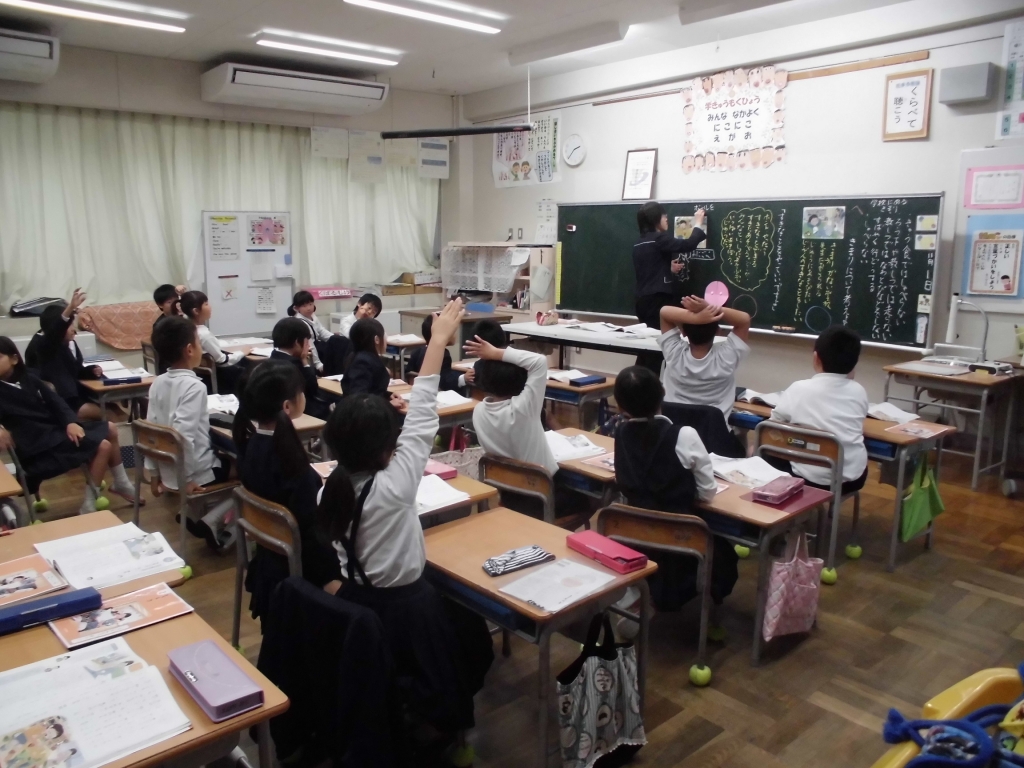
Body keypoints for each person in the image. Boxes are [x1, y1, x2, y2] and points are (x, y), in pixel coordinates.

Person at [317, 299, 492, 752]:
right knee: (467, 638)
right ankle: (443, 732)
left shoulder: (330, 488)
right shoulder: (393, 487)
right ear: (384, 449)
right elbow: (423, 411)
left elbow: (417, 421)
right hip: (405, 608)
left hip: (356, 599)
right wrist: (438, 341)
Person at [613, 366, 738, 612]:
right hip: (682, 541)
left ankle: (641, 597)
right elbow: (707, 493)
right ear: (662, 393)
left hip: (635, 535)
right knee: (725, 551)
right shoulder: (684, 435)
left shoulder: (621, 433)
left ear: (619, 405)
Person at [232, 360, 342, 622]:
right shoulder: (293, 468)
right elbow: (312, 536)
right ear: (287, 406)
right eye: (300, 392)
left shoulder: (251, 447)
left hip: (270, 558)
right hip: (305, 568)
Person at [0, 336, 139, 514]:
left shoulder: (29, 377)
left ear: (14, 359)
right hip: (37, 449)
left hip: (54, 435)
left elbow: (56, 402)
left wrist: (71, 422)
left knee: (110, 428)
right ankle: (90, 503)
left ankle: (120, 483)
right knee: (103, 446)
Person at [147, 317, 234, 549]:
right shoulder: (195, 386)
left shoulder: (157, 382)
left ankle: (194, 514)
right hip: (193, 473)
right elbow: (181, 437)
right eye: (198, 342)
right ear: (189, 349)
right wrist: (185, 479)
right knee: (249, 471)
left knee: (223, 454)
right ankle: (212, 520)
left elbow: (150, 432)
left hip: (167, 470)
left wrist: (154, 474)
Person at [769, 325, 869, 495]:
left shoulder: (799, 388)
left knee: (765, 448)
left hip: (806, 477)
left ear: (816, 358)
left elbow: (773, 426)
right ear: (855, 363)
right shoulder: (859, 391)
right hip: (851, 480)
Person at [633, 202, 707, 372]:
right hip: (657, 301)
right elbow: (687, 245)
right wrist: (698, 223)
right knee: (658, 348)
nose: (666, 219)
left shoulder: (640, 242)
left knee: (648, 347)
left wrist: (667, 268)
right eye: (663, 215)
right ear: (655, 219)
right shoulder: (659, 238)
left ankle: (637, 382)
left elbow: (649, 269)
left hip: (643, 301)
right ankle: (648, 385)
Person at [659, 296, 751, 417]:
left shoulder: (674, 353)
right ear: (718, 331)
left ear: (683, 332)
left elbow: (664, 312)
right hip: (714, 429)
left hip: (675, 427)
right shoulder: (726, 358)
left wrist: (696, 319)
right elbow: (744, 319)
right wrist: (709, 308)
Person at [24, 290, 103, 421]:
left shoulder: (66, 342)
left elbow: (75, 370)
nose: (73, 329)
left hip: (76, 394)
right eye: (69, 325)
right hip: (64, 403)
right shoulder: (43, 345)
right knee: (108, 413)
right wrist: (69, 308)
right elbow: (54, 333)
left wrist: (91, 371)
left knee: (115, 408)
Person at [180, 291, 248, 394]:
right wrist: (242, 352)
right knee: (247, 368)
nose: (210, 307)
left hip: (201, 375)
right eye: (206, 304)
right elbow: (222, 361)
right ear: (196, 311)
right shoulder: (203, 334)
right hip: (217, 378)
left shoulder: (186, 328)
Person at [342, 318, 408, 416]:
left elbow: (372, 391)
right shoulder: (363, 362)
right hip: (366, 419)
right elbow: (359, 399)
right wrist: (388, 404)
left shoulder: (362, 356)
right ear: (376, 339)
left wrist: (388, 396)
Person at [270, 318, 331, 421]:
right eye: (307, 342)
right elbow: (312, 388)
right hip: (301, 411)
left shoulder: (273, 357)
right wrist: (304, 361)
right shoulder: (294, 364)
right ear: (297, 342)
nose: (309, 346)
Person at [287, 291, 350, 376]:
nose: (309, 308)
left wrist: (336, 339)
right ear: (297, 308)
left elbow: (322, 331)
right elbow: (310, 345)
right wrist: (318, 364)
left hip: (318, 345)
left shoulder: (313, 316)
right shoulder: (299, 322)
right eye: (304, 306)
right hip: (310, 350)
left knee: (340, 341)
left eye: (310, 304)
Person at [406, 313, 473, 392]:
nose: (455, 334)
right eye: (453, 331)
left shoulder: (417, 352)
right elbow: (444, 381)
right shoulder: (443, 354)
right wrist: (463, 378)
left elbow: (408, 373)